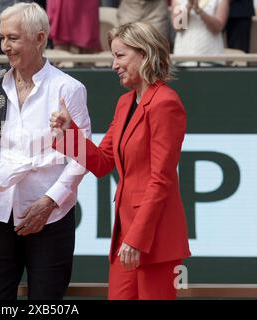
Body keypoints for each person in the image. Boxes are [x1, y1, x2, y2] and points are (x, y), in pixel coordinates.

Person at [0, 2, 91, 300]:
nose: (5, 46)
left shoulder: (68, 89)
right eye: (3, 37)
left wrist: (48, 202)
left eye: (13, 38)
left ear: (40, 39)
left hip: (49, 216)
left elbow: (80, 157)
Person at [50, 22, 190, 300]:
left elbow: (161, 180)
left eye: (120, 55)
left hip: (154, 238)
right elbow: (103, 162)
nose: (114, 64)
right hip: (125, 236)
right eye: (113, 56)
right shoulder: (125, 103)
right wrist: (69, 133)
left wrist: (137, 238)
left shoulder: (165, 103)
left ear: (145, 53)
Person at [172, 0, 229, 66]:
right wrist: (188, 8)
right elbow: (177, 28)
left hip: (211, 57)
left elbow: (217, 28)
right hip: (183, 58)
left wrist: (200, 11)